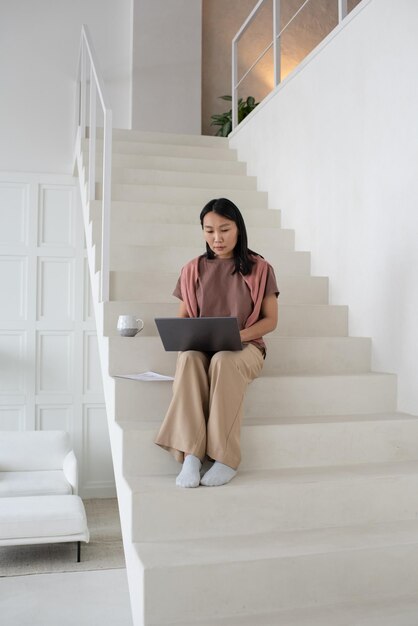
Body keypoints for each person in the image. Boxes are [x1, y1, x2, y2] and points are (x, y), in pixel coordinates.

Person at [154, 197, 279, 488]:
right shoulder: (191, 269)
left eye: (224, 229)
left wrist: (237, 337)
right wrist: (189, 337)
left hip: (246, 348)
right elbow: (183, 319)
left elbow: (270, 321)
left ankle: (226, 458)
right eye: (209, 230)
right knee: (188, 359)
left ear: (238, 228)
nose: (217, 238)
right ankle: (192, 456)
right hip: (203, 348)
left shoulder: (260, 268)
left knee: (224, 359)